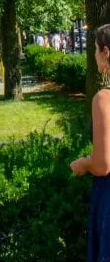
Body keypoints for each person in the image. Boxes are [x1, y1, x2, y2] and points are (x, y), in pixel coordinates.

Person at [70, 24, 110, 260]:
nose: (94, 55)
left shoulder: (104, 99)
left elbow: (103, 164)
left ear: (106, 53)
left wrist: (83, 164)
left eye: (95, 49)